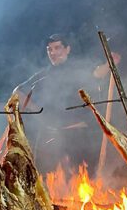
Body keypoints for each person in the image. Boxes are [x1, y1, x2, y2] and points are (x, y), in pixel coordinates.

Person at [13, 34, 113, 175]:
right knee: (55, 179)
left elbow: (97, 73)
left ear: (67, 49)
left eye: (57, 48)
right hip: (55, 138)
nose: (53, 53)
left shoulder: (78, 68)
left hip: (81, 137)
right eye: (49, 49)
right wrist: (39, 111)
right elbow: (17, 92)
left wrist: (110, 63)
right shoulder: (44, 74)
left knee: (85, 179)